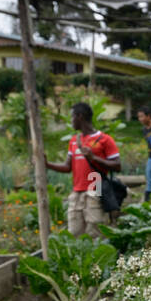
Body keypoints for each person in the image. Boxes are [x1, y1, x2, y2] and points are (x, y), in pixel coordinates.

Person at [45, 102, 120, 238]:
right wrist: (47, 164)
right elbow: (67, 167)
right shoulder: (74, 141)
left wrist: (94, 158)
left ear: (80, 117)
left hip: (95, 188)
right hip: (77, 193)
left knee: (95, 232)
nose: (71, 120)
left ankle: (98, 258)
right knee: (74, 232)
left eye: (72, 116)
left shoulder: (104, 139)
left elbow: (117, 165)